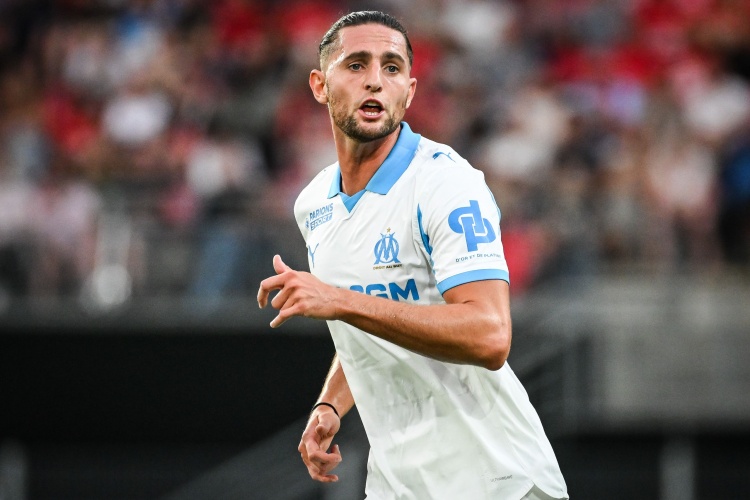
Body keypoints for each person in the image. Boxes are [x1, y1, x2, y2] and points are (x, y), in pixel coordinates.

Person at [257, 11, 569, 500]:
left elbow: (490, 335)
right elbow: (369, 321)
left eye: (392, 67)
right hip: (399, 484)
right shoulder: (313, 204)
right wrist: (330, 405)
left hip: (496, 481)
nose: (375, 81)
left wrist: (339, 300)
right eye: (356, 65)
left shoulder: (446, 184)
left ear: (409, 91)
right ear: (319, 86)